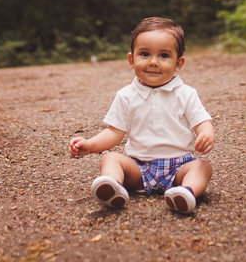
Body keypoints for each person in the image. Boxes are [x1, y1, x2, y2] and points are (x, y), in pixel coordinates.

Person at [68, 17, 215, 214]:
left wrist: (207, 133)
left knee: (202, 167)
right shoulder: (126, 95)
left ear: (178, 64)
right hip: (139, 167)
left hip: (180, 165)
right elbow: (114, 133)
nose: (153, 62)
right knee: (110, 159)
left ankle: (186, 192)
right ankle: (112, 186)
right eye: (145, 54)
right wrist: (90, 145)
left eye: (164, 56)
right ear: (132, 60)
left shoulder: (186, 93)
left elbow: (201, 122)